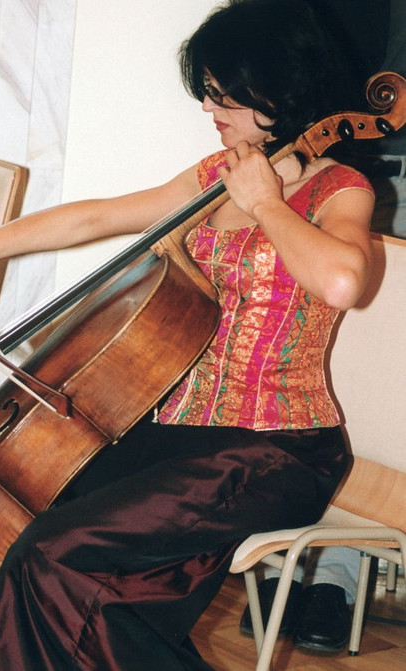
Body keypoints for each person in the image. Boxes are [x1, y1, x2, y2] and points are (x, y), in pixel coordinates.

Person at [0, 1, 375, 668]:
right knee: (4, 534)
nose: (210, 108)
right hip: (174, 437)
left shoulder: (338, 189)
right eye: (206, 91)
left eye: (222, 93)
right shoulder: (214, 175)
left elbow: (343, 282)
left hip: (276, 450)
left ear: (278, 88)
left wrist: (265, 202)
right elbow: (96, 219)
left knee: (55, 554)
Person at [240, 0, 406, 654]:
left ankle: (334, 575)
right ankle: (323, 572)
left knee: (375, 375)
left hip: (376, 164)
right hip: (353, 165)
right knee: (337, 362)